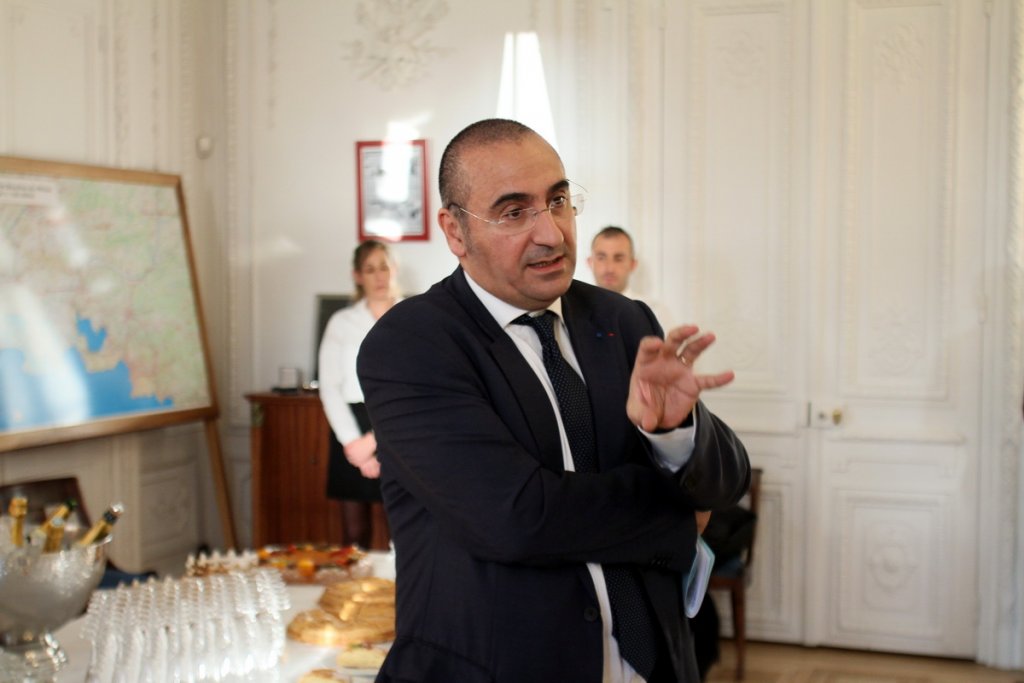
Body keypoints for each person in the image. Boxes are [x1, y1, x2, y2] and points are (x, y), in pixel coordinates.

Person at [357, 118, 749, 683]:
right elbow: (517, 517)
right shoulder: (411, 343)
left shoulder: (622, 318)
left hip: (653, 662)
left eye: (559, 201)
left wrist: (675, 432)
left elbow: (725, 481)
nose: (553, 234)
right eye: (514, 212)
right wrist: (678, 516)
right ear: (455, 231)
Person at [318, 239, 401, 549]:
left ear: (394, 270)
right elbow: (330, 387)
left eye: (384, 267)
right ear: (357, 276)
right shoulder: (342, 323)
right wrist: (355, 445)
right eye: (370, 269)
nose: (379, 276)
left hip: (398, 424)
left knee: (403, 533)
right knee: (354, 537)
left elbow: (420, 387)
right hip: (350, 425)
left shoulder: (414, 316)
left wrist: (375, 441)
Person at [588, 225, 675, 328]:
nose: (609, 269)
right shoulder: (574, 312)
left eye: (618, 259)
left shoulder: (656, 314)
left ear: (632, 264)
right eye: (601, 258)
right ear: (590, 262)